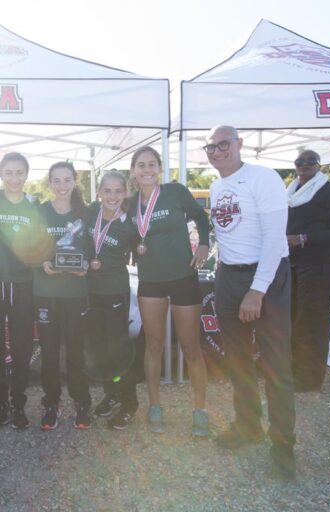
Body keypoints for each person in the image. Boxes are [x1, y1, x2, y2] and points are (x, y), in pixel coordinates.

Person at [206, 125, 296, 479]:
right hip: (229, 277)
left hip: (266, 277)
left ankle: (283, 448)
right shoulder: (216, 185)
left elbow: (275, 239)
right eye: (210, 147)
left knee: (276, 366)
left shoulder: (263, 178)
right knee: (238, 360)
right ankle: (248, 426)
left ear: (239, 144)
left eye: (223, 144)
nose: (216, 151)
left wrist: (257, 290)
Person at [127, 146, 212, 436]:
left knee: (191, 346)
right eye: (141, 165)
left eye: (152, 164)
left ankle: (200, 409)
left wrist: (204, 243)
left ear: (160, 168)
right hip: (150, 280)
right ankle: (154, 406)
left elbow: (201, 217)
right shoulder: (129, 203)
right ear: (133, 171)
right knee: (153, 344)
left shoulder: (175, 191)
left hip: (183, 277)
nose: (147, 169)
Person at [0, 152, 45, 430]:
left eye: (20, 172)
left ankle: (18, 403)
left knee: (21, 348)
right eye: (9, 172)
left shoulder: (33, 203)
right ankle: (0, 403)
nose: (14, 178)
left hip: (22, 284)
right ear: (1, 174)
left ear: (26, 175)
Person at [33, 162, 92, 430]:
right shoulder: (41, 211)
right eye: (56, 180)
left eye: (67, 180)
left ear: (74, 181)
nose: (62, 186)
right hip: (46, 293)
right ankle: (51, 403)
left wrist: (86, 266)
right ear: (50, 182)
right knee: (49, 352)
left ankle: (81, 402)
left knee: (77, 351)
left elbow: (93, 248)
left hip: (76, 293)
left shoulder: (86, 213)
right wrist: (41, 264)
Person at [286, 150, 330, 393]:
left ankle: (309, 379)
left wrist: (304, 238)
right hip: (295, 264)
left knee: (312, 321)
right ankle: (294, 372)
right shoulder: (291, 193)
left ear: (318, 165)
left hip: (321, 265)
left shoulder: (329, 191)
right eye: (299, 162)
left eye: (310, 162)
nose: (304, 165)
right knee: (294, 318)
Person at [86, 171, 140, 430]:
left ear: (125, 193)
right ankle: (112, 393)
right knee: (100, 350)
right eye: (107, 191)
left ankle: (130, 403)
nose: (112, 196)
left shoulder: (130, 224)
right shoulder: (89, 214)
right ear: (99, 192)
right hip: (91, 292)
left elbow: (145, 246)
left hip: (115, 291)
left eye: (118, 191)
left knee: (118, 349)